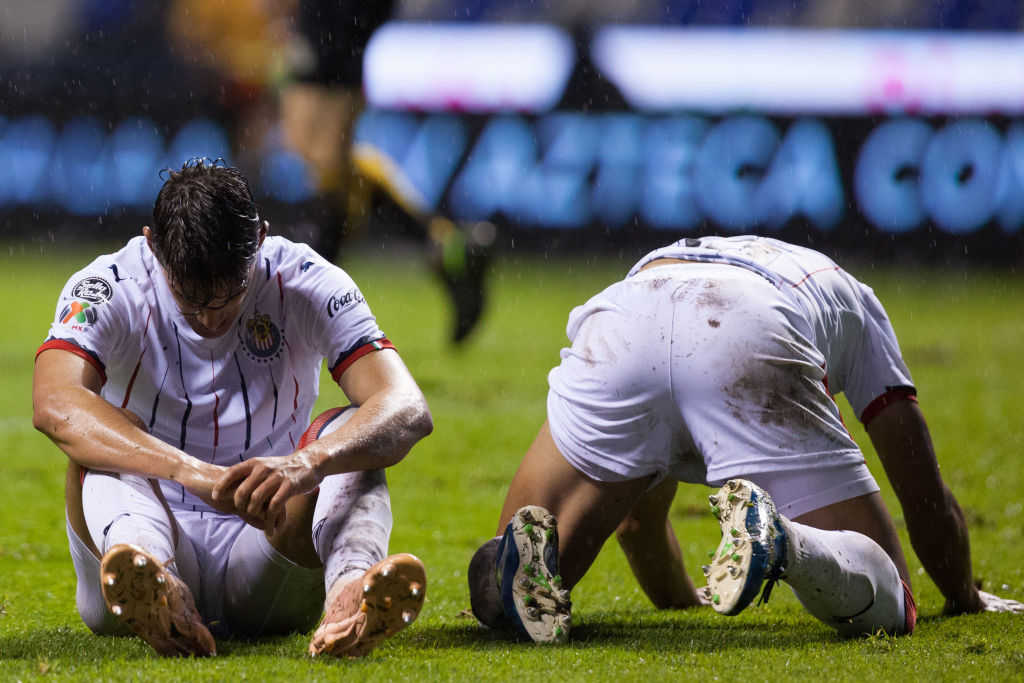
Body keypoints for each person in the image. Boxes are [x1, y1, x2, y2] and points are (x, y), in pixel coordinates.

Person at [467, 235, 1024, 643]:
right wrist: (962, 594)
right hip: (747, 319)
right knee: (893, 600)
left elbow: (638, 521)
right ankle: (781, 541)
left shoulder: (699, 253)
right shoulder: (854, 298)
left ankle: (497, 586)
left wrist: (680, 601)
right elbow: (923, 492)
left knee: (518, 578)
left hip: (628, 309)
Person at [32, 158, 433, 658]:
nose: (210, 318)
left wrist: (306, 462)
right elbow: (54, 403)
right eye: (190, 298)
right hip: (141, 524)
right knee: (105, 436)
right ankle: (152, 575)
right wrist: (188, 471)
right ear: (152, 246)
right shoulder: (110, 285)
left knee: (348, 429)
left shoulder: (308, 279)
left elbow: (407, 407)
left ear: (260, 240)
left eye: (230, 296)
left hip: (269, 546)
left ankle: (350, 594)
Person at [279, 0, 494, 344]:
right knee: (324, 156)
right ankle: (446, 244)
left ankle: (312, 305)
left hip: (334, 15)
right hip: (337, 17)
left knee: (320, 152)